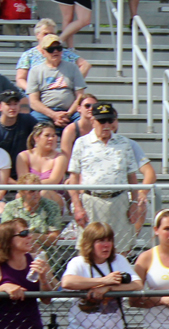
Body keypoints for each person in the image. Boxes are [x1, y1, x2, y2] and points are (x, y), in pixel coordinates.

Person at [67, 102, 142, 253]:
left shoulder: (124, 143)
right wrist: (77, 206)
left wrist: (134, 202)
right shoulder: (81, 143)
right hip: (91, 201)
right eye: (102, 121)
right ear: (93, 121)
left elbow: (132, 176)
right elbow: (73, 178)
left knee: (120, 249)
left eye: (110, 120)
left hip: (119, 200)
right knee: (89, 249)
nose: (106, 125)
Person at [15, 21, 91, 96]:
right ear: (37, 35)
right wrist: (34, 91)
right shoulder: (29, 55)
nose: (48, 36)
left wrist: (73, 82)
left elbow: (85, 65)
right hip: (37, 94)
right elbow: (20, 79)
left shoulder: (63, 52)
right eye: (45, 34)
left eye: (52, 33)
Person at [25, 34, 85, 128]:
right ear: (43, 52)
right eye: (50, 49)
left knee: (84, 121)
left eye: (58, 48)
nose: (55, 51)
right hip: (45, 112)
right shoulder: (35, 71)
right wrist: (53, 115)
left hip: (70, 112)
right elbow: (33, 101)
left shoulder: (73, 67)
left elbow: (80, 96)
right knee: (32, 122)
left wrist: (68, 114)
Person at [2, 175, 61, 253]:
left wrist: (35, 237)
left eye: (38, 190)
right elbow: (6, 235)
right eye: (32, 190)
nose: (36, 193)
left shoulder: (51, 206)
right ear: (22, 192)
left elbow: (54, 238)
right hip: (17, 251)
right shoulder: (11, 207)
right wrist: (26, 242)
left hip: (45, 253)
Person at [17, 123, 68, 207]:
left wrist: (32, 185)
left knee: (43, 192)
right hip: (29, 195)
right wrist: (33, 188)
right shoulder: (23, 156)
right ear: (36, 138)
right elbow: (23, 181)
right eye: (47, 135)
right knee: (19, 196)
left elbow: (53, 181)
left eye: (53, 135)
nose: (51, 138)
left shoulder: (60, 157)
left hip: (54, 197)